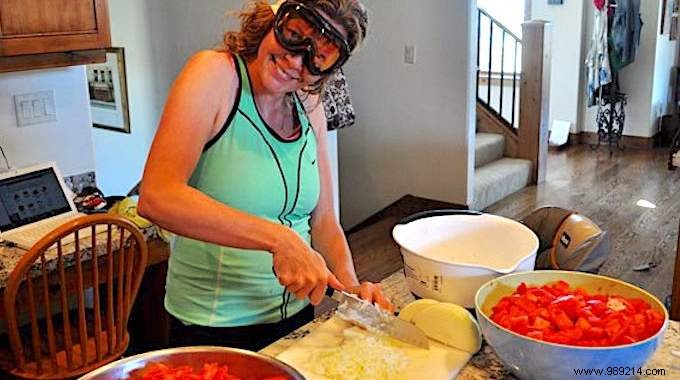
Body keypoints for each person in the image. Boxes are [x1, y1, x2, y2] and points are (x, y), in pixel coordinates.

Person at [138, 0, 393, 351]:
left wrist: (352, 291)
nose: (294, 61)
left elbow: (324, 220)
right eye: (293, 36)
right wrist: (279, 239)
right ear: (273, 20)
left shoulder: (309, 102)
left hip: (297, 323)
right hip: (216, 330)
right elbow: (157, 196)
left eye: (316, 58)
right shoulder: (215, 75)